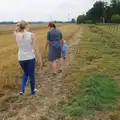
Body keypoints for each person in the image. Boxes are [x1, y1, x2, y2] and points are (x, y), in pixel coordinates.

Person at [14, 20, 42, 95]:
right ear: (26, 26)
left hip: (21, 58)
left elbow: (17, 31)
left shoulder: (16, 34)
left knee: (25, 73)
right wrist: (39, 58)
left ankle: (22, 90)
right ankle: (33, 91)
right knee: (31, 74)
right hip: (30, 57)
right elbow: (35, 48)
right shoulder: (32, 35)